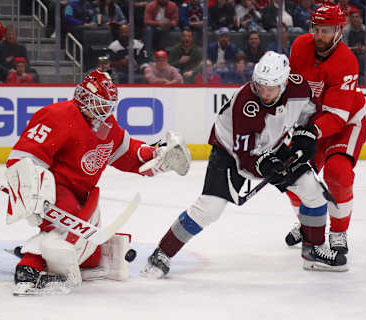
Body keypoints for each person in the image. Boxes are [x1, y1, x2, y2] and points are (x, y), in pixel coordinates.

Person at [142, 51, 348, 280]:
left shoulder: (299, 88)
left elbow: (310, 113)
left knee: (313, 190)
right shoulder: (246, 104)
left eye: (271, 88)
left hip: (274, 143)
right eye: (260, 86)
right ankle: (162, 252)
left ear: (284, 82)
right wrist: (267, 165)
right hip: (229, 152)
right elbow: (245, 157)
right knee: (209, 209)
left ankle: (313, 251)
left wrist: (304, 135)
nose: (265, 93)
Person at [5, 69, 191, 295]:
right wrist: (31, 193)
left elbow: (128, 153)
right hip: (56, 192)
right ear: (85, 97)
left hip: (84, 196)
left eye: (108, 104)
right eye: (100, 103)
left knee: (91, 258)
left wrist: (156, 155)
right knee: (65, 235)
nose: (105, 110)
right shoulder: (57, 115)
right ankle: (29, 266)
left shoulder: (106, 126)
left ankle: (45, 252)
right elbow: (23, 158)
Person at [284, 4, 366, 256]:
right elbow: (295, 90)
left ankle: (338, 231)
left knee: (338, 173)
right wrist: (294, 127)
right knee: (290, 174)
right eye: (316, 29)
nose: (319, 36)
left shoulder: (346, 61)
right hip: (314, 121)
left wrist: (311, 131)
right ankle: (308, 224)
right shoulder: (300, 46)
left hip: (345, 122)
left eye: (326, 31)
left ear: (339, 31)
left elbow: (337, 116)